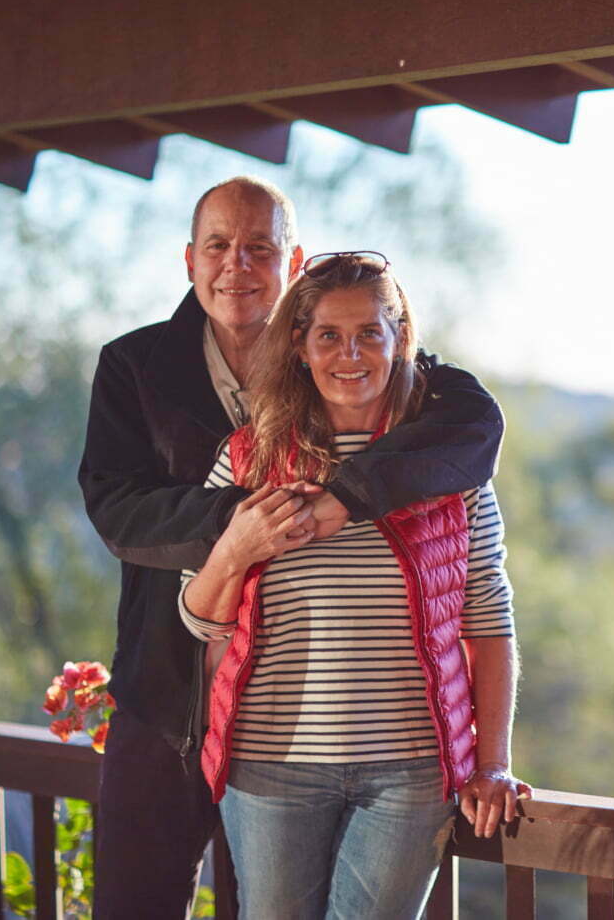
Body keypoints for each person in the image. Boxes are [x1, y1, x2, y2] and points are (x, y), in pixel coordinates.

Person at [79, 178, 506, 920]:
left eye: (259, 248)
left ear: (292, 262)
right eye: (218, 246)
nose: (236, 265)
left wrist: (345, 495)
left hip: (320, 727)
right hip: (167, 692)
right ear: (189, 259)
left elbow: (474, 421)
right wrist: (246, 521)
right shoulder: (136, 366)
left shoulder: (360, 355)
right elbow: (116, 509)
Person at [177, 251, 528, 919]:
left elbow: (488, 621)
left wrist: (493, 763)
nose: (351, 352)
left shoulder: (449, 465)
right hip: (269, 763)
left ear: (401, 342)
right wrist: (236, 548)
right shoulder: (247, 458)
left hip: (411, 772)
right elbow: (199, 616)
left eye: (371, 332)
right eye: (329, 335)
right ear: (301, 348)